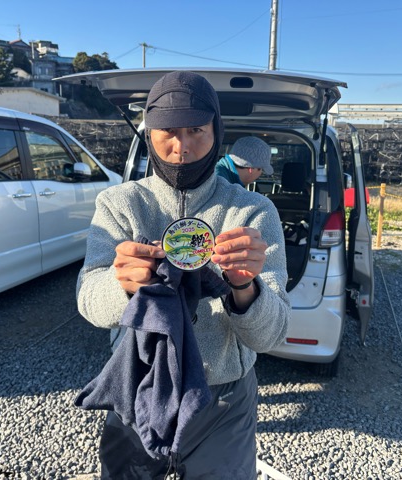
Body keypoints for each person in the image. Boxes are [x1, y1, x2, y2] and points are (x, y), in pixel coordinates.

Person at [76, 70, 290, 479]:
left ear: (216, 132)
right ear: (149, 133)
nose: (182, 147)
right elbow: (88, 301)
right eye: (168, 132)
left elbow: (271, 335)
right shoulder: (119, 203)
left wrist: (245, 287)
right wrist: (121, 286)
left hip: (225, 398)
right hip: (139, 383)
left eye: (196, 130)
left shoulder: (253, 212)